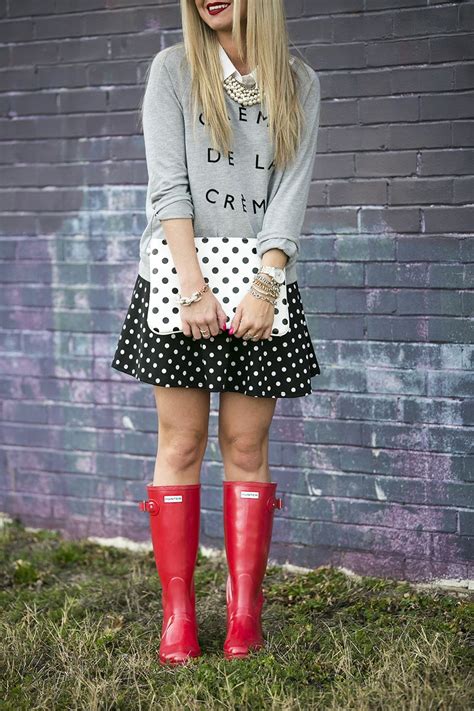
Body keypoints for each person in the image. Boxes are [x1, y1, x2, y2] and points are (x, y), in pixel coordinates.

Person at [110, 0, 321, 664]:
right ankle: (177, 619)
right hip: (182, 272)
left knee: (245, 444)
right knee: (181, 441)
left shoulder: (298, 81)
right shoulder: (172, 69)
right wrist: (191, 287)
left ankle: (243, 617)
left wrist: (266, 286)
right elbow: (167, 186)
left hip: (262, 282)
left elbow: (291, 189)